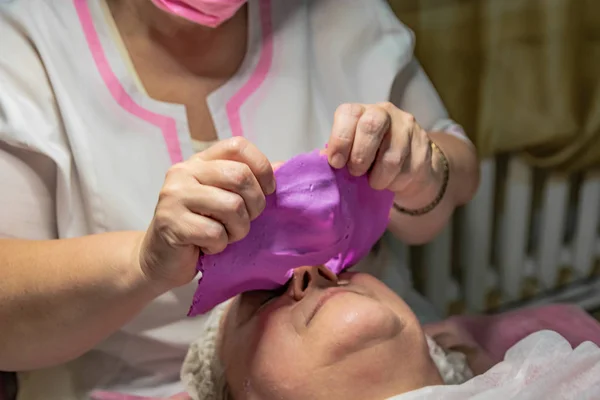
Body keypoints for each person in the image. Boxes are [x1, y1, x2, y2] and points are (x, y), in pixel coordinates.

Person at [0, 0, 479, 398]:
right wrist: (142, 263)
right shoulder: (26, 41)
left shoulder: (341, 12)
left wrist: (424, 172)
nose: (312, 277)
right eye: (261, 304)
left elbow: (456, 166)